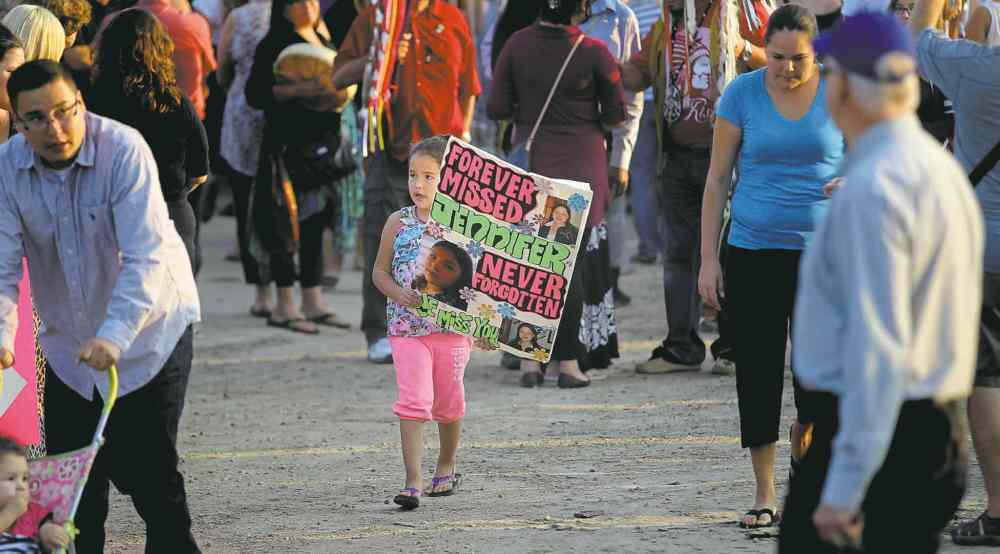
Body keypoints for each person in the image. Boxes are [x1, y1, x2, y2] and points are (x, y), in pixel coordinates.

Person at [778, 13, 982, 552]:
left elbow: (880, 347)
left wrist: (844, 488)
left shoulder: (875, 189)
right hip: (927, 427)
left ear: (846, 87)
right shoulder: (938, 170)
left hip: (879, 433)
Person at [0, 60, 201, 553]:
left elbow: (145, 256)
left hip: (152, 330)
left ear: (81, 104)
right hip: (70, 347)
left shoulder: (123, 150)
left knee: (148, 474)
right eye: (38, 118)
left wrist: (114, 335)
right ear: (18, 121)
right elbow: (2, 267)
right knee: (68, 491)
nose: (55, 128)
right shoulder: (6, 168)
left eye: (65, 111)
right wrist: (2, 339)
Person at [697, 4, 844, 528]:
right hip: (754, 251)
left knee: (817, 379)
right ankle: (763, 490)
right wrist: (708, 261)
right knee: (757, 372)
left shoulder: (840, 91)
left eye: (798, 59)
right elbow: (716, 181)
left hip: (824, 255)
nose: (786, 69)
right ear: (765, 50)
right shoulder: (742, 93)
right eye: (778, 57)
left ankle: (807, 459)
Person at [622, 0, 768, 377]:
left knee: (732, 253)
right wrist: (598, 63)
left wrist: (744, 49)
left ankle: (735, 346)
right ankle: (681, 346)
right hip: (677, 155)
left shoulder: (742, 11)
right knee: (677, 253)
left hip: (731, 154)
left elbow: (781, 58)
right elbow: (637, 74)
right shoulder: (667, 21)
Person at [332, 0, 481, 364]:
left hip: (443, 158)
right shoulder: (379, 16)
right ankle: (379, 332)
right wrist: (376, 60)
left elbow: (469, 87)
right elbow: (338, 77)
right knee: (383, 237)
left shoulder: (452, 17)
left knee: (447, 244)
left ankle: (441, 326)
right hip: (392, 151)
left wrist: (464, 140)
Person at [488, 0, 627, 389]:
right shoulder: (594, 53)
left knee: (533, 266)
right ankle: (567, 363)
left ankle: (530, 362)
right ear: (580, 8)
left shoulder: (516, 45)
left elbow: (496, 106)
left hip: (533, 168)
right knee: (571, 268)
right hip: (582, 169)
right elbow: (616, 114)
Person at [906, 0, 1000, 544]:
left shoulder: (974, 68)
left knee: (986, 379)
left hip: (983, 250)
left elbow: (916, 34)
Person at [372, 136, 474, 510]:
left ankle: (446, 465)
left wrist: (489, 328)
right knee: (414, 401)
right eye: (413, 175)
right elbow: (379, 272)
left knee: (448, 402)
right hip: (406, 330)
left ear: (449, 180)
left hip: (451, 333)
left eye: (429, 176)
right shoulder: (396, 222)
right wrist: (397, 295)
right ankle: (412, 481)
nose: (418, 184)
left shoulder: (466, 225)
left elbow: (487, 283)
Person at [245, 0, 352, 335]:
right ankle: (284, 304)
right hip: (287, 144)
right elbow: (256, 93)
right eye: (300, 1)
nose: (308, 6)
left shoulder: (324, 36)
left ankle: (312, 299)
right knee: (283, 223)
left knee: (315, 221)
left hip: (322, 145)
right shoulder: (275, 42)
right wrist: (299, 90)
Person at [89, 8, 210, 270]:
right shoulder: (176, 101)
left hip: (113, 210)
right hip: (169, 207)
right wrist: (174, 191)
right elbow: (199, 170)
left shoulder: (94, 99)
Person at [579, 0, 643, 307]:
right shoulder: (548, 10)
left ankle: (610, 281)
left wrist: (622, 158)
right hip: (559, 138)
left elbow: (630, 93)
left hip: (605, 134)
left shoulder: (621, 18)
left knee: (612, 211)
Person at [217, 0, 272, 317]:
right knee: (280, 205)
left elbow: (222, 70)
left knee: (246, 203)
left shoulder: (238, 18)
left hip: (242, 118)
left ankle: (261, 292)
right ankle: (289, 288)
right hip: (283, 120)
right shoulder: (302, 12)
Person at [888, 0, 952, 143]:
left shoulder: (939, 56)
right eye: (899, 8)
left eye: (912, 8)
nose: (905, 14)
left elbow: (951, 119)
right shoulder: (880, 57)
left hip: (933, 152)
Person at [0, 438, 69, 552]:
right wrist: (10, 514)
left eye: (25, 478)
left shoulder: (34, 512)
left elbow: (45, 526)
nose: (21, 486)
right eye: (11, 478)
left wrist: (47, 532)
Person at [411, 241, 473, 312]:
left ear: (462, 278)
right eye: (433, 257)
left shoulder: (447, 308)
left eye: (448, 267)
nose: (434, 266)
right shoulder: (413, 283)